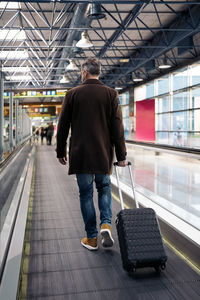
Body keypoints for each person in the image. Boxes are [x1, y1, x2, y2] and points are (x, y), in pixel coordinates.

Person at [56, 57, 127, 251]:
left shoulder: (72, 94)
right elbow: (117, 128)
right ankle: (105, 224)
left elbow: (62, 127)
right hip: (103, 154)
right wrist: (121, 156)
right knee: (104, 189)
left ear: (84, 72)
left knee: (85, 194)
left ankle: (92, 238)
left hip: (81, 154)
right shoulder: (110, 94)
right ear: (98, 72)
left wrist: (60, 150)